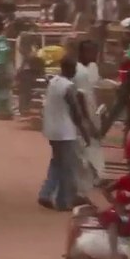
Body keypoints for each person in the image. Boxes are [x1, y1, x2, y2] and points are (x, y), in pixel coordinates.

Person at [38, 55, 95, 211]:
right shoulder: (68, 87)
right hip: (65, 132)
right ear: (69, 68)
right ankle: (63, 201)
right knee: (68, 167)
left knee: (57, 163)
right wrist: (84, 132)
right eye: (74, 69)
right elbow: (76, 112)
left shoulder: (54, 82)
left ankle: (45, 193)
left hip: (51, 130)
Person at [72, 40, 105, 185]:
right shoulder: (80, 72)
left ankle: (93, 174)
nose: (95, 55)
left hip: (90, 113)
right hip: (82, 116)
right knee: (85, 146)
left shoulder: (91, 68)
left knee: (90, 147)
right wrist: (88, 122)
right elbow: (80, 99)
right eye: (92, 52)